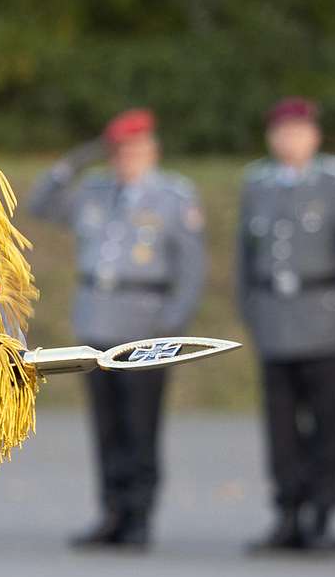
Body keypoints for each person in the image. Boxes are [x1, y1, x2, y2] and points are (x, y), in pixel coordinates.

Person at [29, 109, 204, 548]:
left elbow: (191, 269)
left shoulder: (173, 197)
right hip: (98, 318)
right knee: (106, 426)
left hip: (146, 321)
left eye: (135, 150)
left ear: (152, 151)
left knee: (139, 425)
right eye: (119, 151)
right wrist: (80, 157)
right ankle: (112, 512)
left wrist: (172, 325)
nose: (127, 159)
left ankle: (139, 515)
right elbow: (39, 203)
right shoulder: (95, 190)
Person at [237, 98, 335, 551]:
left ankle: (323, 510)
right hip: (274, 314)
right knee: (281, 423)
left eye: (299, 131)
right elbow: (243, 257)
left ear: (315, 137)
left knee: (326, 421)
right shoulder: (258, 185)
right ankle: (287, 507)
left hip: (322, 314)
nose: (290, 139)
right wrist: (251, 309)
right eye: (282, 131)